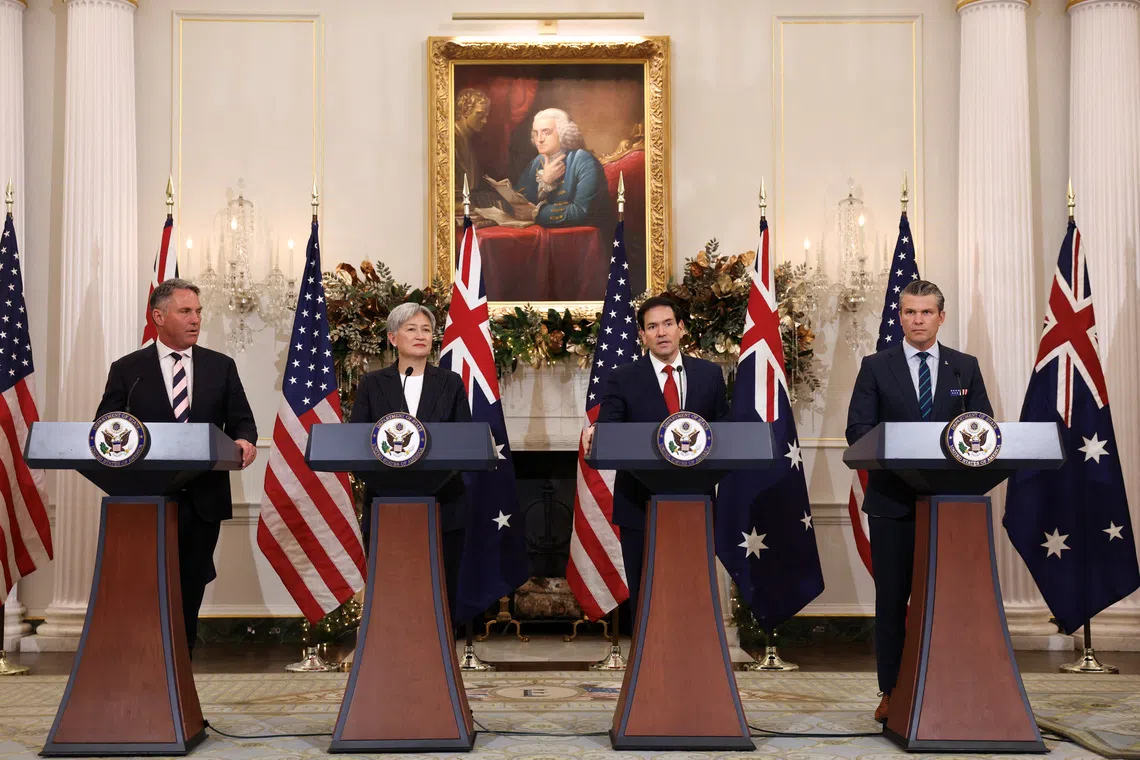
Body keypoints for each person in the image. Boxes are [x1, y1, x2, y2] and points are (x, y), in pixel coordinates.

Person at [845, 279, 992, 723]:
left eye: (926, 312)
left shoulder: (964, 368)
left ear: (941, 317)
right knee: (892, 602)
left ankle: (955, 688)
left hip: (950, 505)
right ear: (900, 317)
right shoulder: (876, 366)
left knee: (952, 601)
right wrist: (902, 453)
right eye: (910, 312)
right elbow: (858, 431)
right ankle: (891, 691)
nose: (918, 320)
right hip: (892, 504)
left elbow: (982, 427)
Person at [96, 279, 257, 657]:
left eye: (198, 312)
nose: (196, 319)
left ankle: (181, 665)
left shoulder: (221, 366)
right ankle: (143, 662)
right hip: (146, 499)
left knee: (189, 588)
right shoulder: (128, 370)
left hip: (203, 500)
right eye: (185, 311)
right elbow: (105, 425)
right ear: (158, 316)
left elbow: (242, 421)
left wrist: (245, 440)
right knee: (146, 587)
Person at [585, 296, 729, 616]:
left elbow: (724, 433)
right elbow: (609, 429)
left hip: (696, 504)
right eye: (652, 327)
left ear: (681, 328)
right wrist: (597, 431)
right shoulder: (623, 377)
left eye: (667, 324)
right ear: (642, 335)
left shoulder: (709, 374)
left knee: (693, 597)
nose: (661, 332)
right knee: (647, 599)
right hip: (639, 504)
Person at [348, 302, 471, 618]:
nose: (421, 336)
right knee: (392, 593)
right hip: (386, 502)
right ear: (393, 338)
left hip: (444, 503)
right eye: (411, 329)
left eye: (426, 330)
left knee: (440, 593)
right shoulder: (373, 384)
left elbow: (466, 440)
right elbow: (356, 442)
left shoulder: (451, 383)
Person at [515, 108, 612, 229]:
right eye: (536, 133)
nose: (539, 139)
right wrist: (544, 182)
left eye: (546, 132)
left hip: (581, 236)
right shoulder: (536, 162)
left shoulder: (583, 160)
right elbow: (522, 199)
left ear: (563, 133)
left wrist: (536, 213)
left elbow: (582, 211)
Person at [454, 88, 493, 207]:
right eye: (479, 114)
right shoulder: (451, 139)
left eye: (486, 116)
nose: (484, 121)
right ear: (465, 111)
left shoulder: (468, 140)